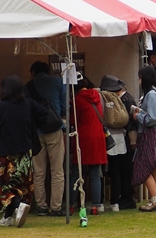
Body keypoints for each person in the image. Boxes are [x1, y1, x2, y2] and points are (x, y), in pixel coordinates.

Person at [0, 75, 48, 228]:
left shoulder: (0, 107)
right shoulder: (29, 104)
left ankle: (18, 206)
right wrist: (31, 126)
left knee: (1, 187)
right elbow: (44, 115)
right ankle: (7, 217)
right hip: (25, 153)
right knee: (20, 187)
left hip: (5, 155)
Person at [25, 61, 66, 217]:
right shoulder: (57, 82)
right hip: (55, 128)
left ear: (33, 72)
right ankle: (55, 207)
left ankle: (41, 206)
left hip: (36, 132)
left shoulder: (28, 86)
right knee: (57, 170)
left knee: (38, 171)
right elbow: (64, 106)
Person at [69, 77, 108, 215]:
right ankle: (96, 205)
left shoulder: (77, 99)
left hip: (83, 137)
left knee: (76, 173)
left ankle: (71, 205)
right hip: (98, 137)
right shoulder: (97, 96)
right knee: (95, 174)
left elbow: (73, 120)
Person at [133, 65, 156, 212]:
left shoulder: (152, 95)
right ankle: (153, 199)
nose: (139, 81)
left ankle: (155, 199)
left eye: (140, 77)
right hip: (155, 135)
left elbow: (154, 118)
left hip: (151, 135)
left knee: (144, 168)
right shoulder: (155, 93)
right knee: (153, 168)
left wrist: (138, 116)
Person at [100, 75, 138, 211]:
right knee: (124, 170)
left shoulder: (112, 99)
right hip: (123, 138)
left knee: (116, 170)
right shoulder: (127, 98)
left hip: (116, 139)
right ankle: (124, 197)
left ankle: (121, 198)